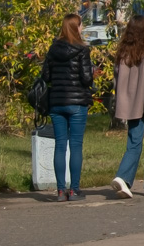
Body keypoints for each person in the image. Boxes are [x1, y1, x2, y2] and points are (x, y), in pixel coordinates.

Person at [110, 15, 144, 199]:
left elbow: (117, 78)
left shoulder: (123, 53)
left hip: (133, 102)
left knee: (134, 142)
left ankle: (123, 178)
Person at [44, 13, 94, 202]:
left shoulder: (52, 49)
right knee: (75, 146)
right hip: (77, 103)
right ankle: (74, 190)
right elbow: (86, 78)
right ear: (76, 27)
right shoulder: (82, 50)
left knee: (60, 146)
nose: (82, 28)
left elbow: (46, 77)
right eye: (81, 25)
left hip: (56, 103)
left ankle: (59, 191)